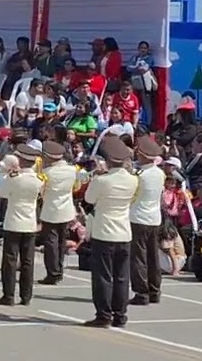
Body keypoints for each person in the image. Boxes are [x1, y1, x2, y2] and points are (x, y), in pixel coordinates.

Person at [83, 134, 137, 328]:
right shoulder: (133, 180)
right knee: (122, 277)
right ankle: (120, 314)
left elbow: (88, 200)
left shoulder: (102, 180)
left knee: (103, 276)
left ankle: (104, 315)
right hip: (124, 231)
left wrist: (97, 176)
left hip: (104, 231)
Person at [0, 143, 43, 306]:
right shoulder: (39, 179)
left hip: (14, 222)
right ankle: (26, 296)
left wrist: (9, 175)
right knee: (27, 261)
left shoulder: (15, 178)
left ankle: (8, 295)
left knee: (10, 260)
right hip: (30, 223)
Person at [129, 135, 166, 305]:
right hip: (154, 217)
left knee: (138, 257)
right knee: (152, 256)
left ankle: (141, 292)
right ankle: (154, 289)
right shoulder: (160, 173)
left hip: (138, 216)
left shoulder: (139, 175)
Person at [38, 140, 78, 286]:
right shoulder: (73, 170)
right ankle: (59, 270)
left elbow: (40, 191)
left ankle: (52, 273)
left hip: (50, 209)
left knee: (51, 243)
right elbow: (77, 185)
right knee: (61, 242)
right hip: (66, 208)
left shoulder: (46, 172)